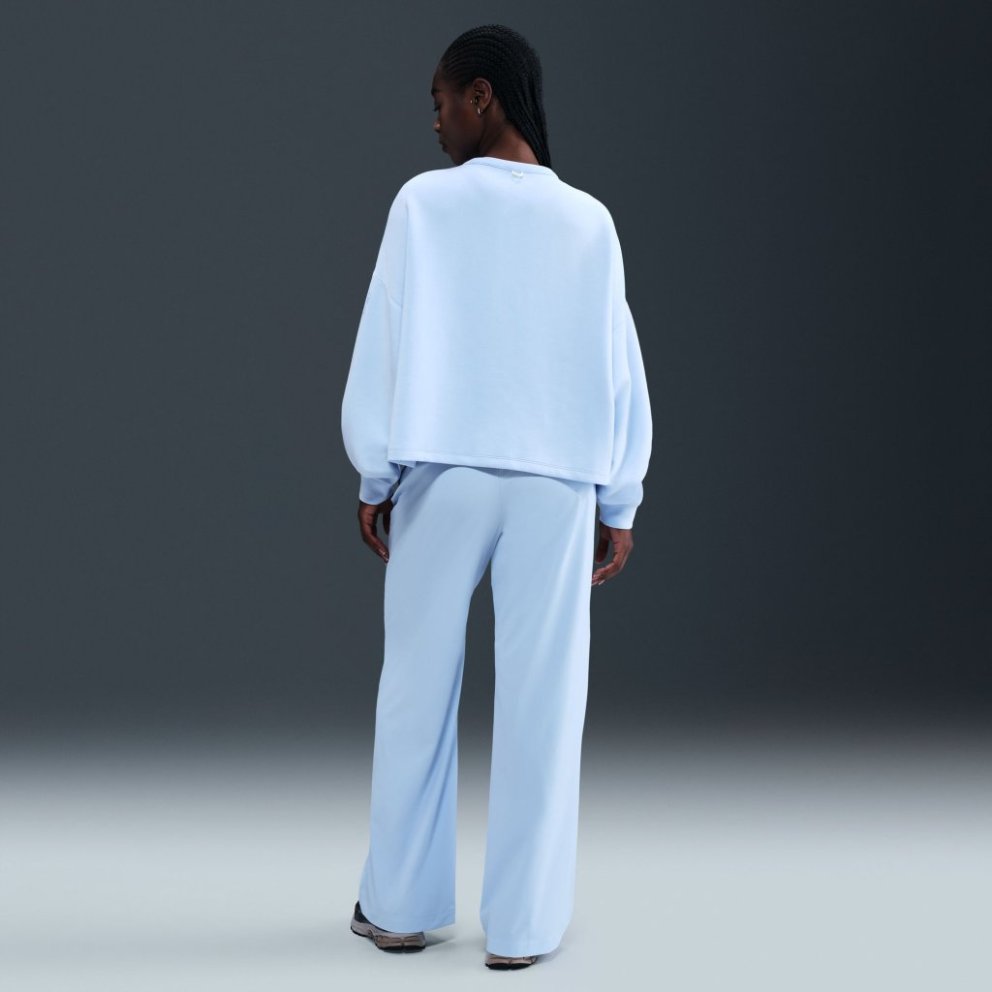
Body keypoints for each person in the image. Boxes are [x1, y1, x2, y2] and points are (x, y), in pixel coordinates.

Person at [341, 24, 652, 971]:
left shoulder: (424, 204)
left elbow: (387, 336)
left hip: (443, 474)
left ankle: (400, 907)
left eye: (441, 100)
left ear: (482, 94)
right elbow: (618, 362)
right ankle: (522, 929)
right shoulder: (589, 220)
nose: (434, 121)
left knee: (416, 693)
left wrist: (375, 473)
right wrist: (619, 497)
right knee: (543, 707)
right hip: (555, 483)